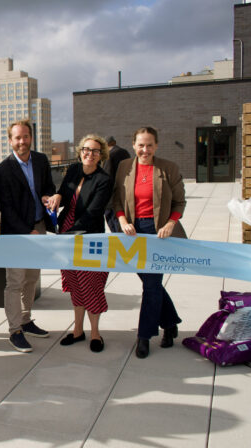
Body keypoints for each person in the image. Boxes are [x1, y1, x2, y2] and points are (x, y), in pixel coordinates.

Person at [113, 126, 186, 359]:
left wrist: (170, 224)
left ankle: (144, 336)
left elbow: (179, 202)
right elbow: (116, 200)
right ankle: (171, 323)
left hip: (159, 233)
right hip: (133, 232)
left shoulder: (168, 168)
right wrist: (122, 220)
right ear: (133, 145)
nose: (145, 150)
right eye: (141, 145)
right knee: (150, 281)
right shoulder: (124, 167)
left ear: (156, 145)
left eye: (150, 145)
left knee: (151, 285)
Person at [0, 120, 56, 353]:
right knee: (15, 281)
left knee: (32, 278)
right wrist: (25, 230)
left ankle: (25, 319)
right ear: (10, 141)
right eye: (17, 138)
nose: (22, 141)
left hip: (39, 227)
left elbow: (49, 186)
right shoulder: (3, 169)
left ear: (31, 137)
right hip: (17, 234)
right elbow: (6, 207)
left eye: (26, 136)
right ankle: (14, 331)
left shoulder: (40, 160)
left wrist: (48, 197)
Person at [54, 135, 113, 353]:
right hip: (66, 233)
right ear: (80, 151)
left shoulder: (104, 180)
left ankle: (95, 333)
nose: (90, 154)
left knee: (92, 285)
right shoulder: (73, 170)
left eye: (95, 151)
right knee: (75, 284)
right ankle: (78, 330)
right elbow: (63, 192)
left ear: (101, 155)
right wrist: (57, 197)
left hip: (88, 237)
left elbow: (93, 212)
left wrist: (69, 234)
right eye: (86, 149)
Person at [102, 136, 130, 233]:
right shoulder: (125, 152)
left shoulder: (110, 155)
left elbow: (107, 177)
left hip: (112, 199)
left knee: (116, 229)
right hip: (125, 196)